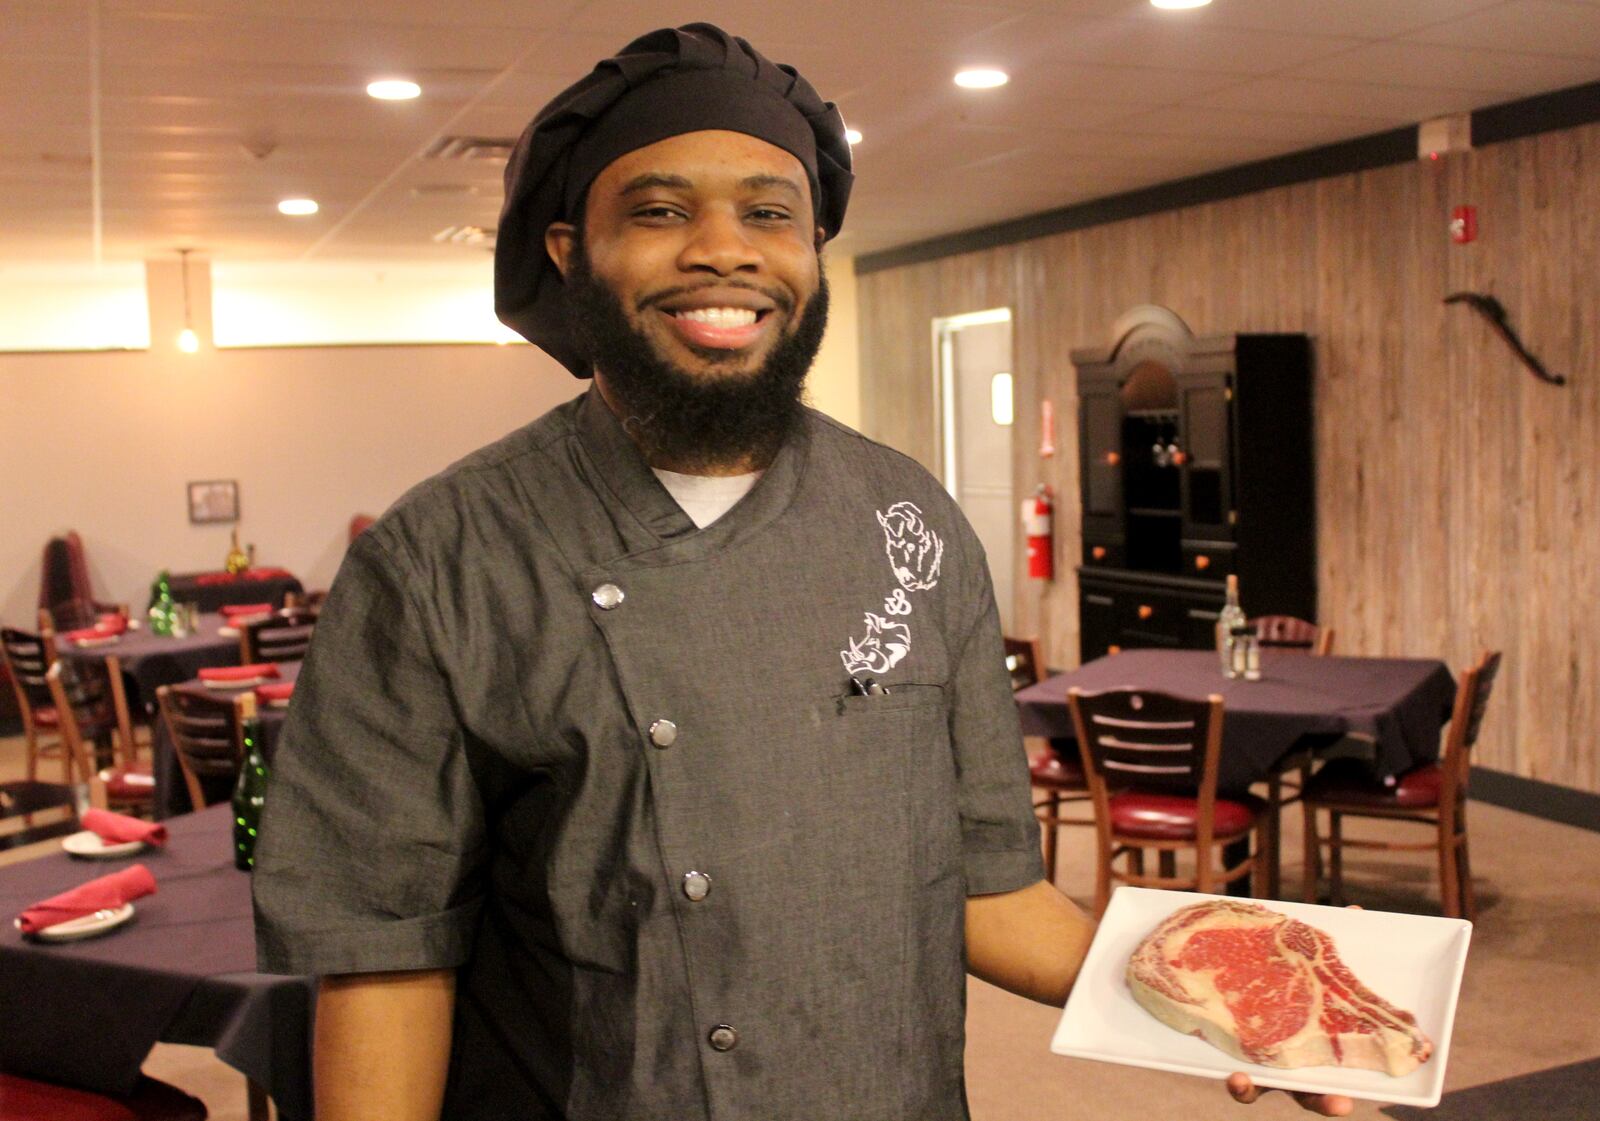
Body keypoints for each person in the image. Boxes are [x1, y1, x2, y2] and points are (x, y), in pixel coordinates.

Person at [253, 24, 1353, 1120]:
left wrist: (1226, 1006)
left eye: (769, 213)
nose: (724, 250)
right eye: (659, 210)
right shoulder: (438, 558)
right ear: (565, 250)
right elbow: (387, 959)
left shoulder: (907, 520)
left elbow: (992, 889)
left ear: (811, 248)